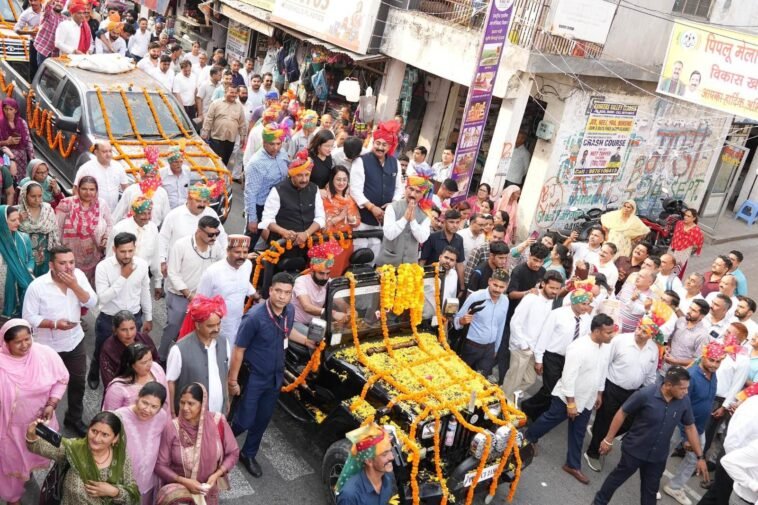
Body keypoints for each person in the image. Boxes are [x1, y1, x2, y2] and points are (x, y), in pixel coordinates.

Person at [593, 366, 708, 505]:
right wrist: (608, 440)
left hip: (657, 457)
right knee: (617, 478)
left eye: (687, 388)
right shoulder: (645, 394)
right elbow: (622, 412)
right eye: (682, 388)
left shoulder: (684, 400)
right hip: (634, 451)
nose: (686, 391)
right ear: (669, 385)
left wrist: (700, 457)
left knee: (650, 493)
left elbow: (690, 427)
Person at [526, 314, 616, 484]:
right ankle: (528, 438)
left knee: (578, 433)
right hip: (568, 399)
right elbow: (568, 377)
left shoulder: (605, 347)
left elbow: (602, 371)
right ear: (597, 331)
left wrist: (599, 393)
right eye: (608, 332)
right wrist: (571, 403)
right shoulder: (578, 347)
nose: (611, 336)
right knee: (549, 420)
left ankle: (572, 465)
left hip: (587, 398)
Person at [22, 246, 96, 436]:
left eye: (71, 262)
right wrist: (54, 324)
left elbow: (92, 302)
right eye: (63, 263)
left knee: (78, 383)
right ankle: (42, 423)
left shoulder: (78, 276)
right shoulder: (37, 287)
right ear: (51, 265)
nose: (69, 267)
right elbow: (28, 317)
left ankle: (74, 418)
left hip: (75, 342)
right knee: (45, 387)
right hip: (47, 348)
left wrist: (75, 286)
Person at [228, 272, 297, 478]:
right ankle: (218, 446)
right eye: (278, 291)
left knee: (262, 419)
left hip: (275, 376)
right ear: (270, 291)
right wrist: (232, 381)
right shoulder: (254, 317)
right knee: (243, 421)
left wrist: (307, 341)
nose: (282, 296)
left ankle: (248, 454)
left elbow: (287, 332)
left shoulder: (290, 311)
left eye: (287, 293)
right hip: (254, 377)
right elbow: (238, 349)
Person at [0, 319, 69, 505]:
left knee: (30, 458)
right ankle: (13, 499)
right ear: (6, 343)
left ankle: (26, 472)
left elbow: (61, 379)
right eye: (18, 342)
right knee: (10, 466)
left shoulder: (45, 355)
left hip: (38, 424)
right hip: (9, 429)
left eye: (27, 339)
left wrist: (52, 403)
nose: (25, 345)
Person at [584, 317, 662, 471]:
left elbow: (651, 376)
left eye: (644, 332)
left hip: (634, 393)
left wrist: (648, 396)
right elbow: (605, 364)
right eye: (639, 328)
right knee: (604, 420)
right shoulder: (620, 340)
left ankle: (601, 435)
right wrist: (599, 391)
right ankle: (593, 453)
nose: (639, 333)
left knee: (628, 422)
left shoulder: (653, 350)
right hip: (612, 387)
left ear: (651, 335)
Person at [26, 411, 140, 503]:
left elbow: (132, 495)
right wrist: (31, 433)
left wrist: (114, 492)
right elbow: (38, 446)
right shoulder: (74, 449)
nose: (96, 438)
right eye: (94, 431)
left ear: (115, 439)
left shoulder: (121, 458)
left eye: (105, 435)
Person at [155, 383, 239, 505]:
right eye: (182, 402)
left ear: (202, 404)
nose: (185, 408)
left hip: (208, 492)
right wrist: (183, 481)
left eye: (191, 403)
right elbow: (160, 465)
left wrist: (217, 474)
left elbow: (233, 453)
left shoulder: (217, 422)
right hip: (180, 494)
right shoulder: (172, 427)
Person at [663, 342, 725, 505]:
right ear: (703, 357)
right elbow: (680, 405)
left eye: (718, 361)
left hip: (699, 428)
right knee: (663, 453)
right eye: (711, 360)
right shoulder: (690, 376)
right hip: (680, 426)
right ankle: (651, 482)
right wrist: (686, 437)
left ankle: (675, 487)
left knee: (693, 459)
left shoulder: (712, 375)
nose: (714, 365)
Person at [90, 231, 153, 389]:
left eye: (130, 251)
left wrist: (148, 317)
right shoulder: (103, 267)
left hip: (134, 317)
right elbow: (102, 298)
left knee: (130, 351)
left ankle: (125, 380)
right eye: (123, 251)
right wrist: (123, 277)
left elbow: (145, 291)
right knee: (101, 349)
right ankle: (94, 371)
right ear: (114, 249)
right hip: (109, 319)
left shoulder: (142, 265)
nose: (127, 255)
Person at [161, 216, 225, 362]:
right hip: (180, 296)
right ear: (199, 231)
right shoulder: (181, 245)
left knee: (199, 331)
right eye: (210, 234)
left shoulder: (215, 247)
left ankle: (187, 360)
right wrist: (189, 295)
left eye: (217, 234)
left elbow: (224, 263)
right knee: (174, 327)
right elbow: (173, 273)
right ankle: (162, 357)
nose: (214, 238)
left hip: (203, 299)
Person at [523, 289, 594, 420]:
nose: (586, 307)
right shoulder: (557, 314)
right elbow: (544, 336)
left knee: (556, 390)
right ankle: (529, 410)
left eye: (588, 304)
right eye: (583, 304)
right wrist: (539, 359)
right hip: (553, 357)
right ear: (574, 302)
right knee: (550, 389)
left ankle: (533, 411)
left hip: (570, 359)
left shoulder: (587, 319)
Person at [502, 271, 564, 399]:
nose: (554, 291)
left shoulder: (552, 301)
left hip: (535, 349)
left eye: (557, 289)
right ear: (543, 284)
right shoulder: (531, 298)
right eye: (552, 287)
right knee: (513, 380)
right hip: (521, 348)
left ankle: (503, 396)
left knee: (529, 380)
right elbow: (515, 323)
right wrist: (523, 345)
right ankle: (502, 403)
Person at [167, 295, 230, 415]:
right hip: (190, 416)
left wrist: (226, 399)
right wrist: (172, 412)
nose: (216, 329)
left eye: (218, 324)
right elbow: (170, 382)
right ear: (197, 325)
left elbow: (225, 373)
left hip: (217, 413)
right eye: (210, 326)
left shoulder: (224, 342)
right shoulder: (179, 349)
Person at [350, 120, 404, 259]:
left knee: (375, 255)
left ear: (390, 146)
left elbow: (399, 188)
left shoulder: (395, 163)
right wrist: (372, 207)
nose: (380, 147)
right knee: (358, 253)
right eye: (377, 143)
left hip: (383, 220)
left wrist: (393, 204)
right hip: (362, 219)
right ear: (373, 143)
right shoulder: (361, 161)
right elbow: (355, 190)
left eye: (384, 145)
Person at [696, 395, 758, 505]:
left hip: (741, 465)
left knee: (715, 496)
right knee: (719, 498)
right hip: (735, 464)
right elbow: (732, 441)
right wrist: (735, 466)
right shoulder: (754, 408)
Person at [115, 382, 169, 505]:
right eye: (145, 403)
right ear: (138, 398)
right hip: (120, 485)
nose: (147, 410)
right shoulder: (119, 416)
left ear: (160, 408)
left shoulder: (162, 417)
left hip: (148, 484)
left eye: (154, 406)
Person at [159, 183, 227, 278]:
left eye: (205, 201)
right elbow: (163, 239)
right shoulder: (174, 215)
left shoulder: (211, 213)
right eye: (198, 201)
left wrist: (226, 259)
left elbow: (222, 237)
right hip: (178, 269)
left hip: (204, 269)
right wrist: (162, 261)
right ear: (189, 199)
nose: (202, 205)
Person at [259, 149, 326, 246]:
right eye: (299, 175)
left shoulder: (314, 189)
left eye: (307, 175)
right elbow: (267, 219)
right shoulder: (278, 190)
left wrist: (306, 233)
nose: (304, 179)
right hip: (281, 244)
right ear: (292, 175)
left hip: (308, 244)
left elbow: (320, 217)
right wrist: (283, 232)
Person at [196, 235, 256, 342]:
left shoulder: (247, 265)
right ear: (228, 251)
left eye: (245, 252)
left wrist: (257, 296)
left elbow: (244, 283)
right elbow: (200, 301)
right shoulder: (212, 272)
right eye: (237, 252)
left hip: (238, 321)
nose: (242, 256)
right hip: (216, 325)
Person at [56, 175, 113, 286]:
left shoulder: (101, 204)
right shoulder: (66, 204)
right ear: (78, 189)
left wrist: (106, 238)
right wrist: (59, 253)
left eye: (92, 189)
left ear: (96, 190)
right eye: (84, 189)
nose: (88, 193)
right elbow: (57, 228)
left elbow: (110, 224)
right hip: (69, 257)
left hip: (95, 255)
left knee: (91, 288)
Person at [453, 268, 510, 377]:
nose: (497, 289)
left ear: (506, 287)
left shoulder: (505, 301)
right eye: (495, 285)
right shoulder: (475, 297)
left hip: (489, 350)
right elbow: (457, 319)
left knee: (480, 380)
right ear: (489, 281)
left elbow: (500, 326)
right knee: (461, 377)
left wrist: (496, 348)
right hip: (471, 347)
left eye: (501, 287)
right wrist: (462, 321)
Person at [375, 166, 432, 266]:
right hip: (388, 264)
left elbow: (422, 239)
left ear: (423, 195)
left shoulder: (425, 214)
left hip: (409, 266)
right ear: (405, 188)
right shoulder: (392, 207)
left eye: (418, 191)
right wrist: (405, 218)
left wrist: (413, 220)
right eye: (411, 189)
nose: (413, 194)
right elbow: (389, 234)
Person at [244, 121, 290, 241]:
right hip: (261, 205)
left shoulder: (282, 153)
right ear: (264, 143)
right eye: (272, 144)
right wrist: (252, 219)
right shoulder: (256, 163)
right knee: (250, 241)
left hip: (279, 204)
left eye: (278, 143)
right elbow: (250, 193)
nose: (276, 148)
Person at [291, 241, 344, 335]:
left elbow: (340, 302)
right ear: (312, 271)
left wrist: (348, 310)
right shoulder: (301, 281)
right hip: (295, 322)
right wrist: (333, 313)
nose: (325, 277)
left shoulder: (329, 281)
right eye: (321, 273)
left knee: (337, 332)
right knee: (317, 337)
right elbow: (307, 307)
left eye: (327, 273)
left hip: (315, 322)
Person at [335, 423, 395, 505]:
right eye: (384, 454)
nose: (392, 457)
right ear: (369, 461)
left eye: (390, 451)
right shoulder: (350, 496)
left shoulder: (388, 478)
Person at [99, 310, 160, 389]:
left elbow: (156, 361)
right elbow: (108, 380)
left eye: (132, 328)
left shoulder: (144, 339)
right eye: (124, 330)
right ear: (115, 330)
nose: (129, 334)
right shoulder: (108, 349)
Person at [104, 342, 168, 412]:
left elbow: (166, 400)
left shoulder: (157, 369)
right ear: (131, 365)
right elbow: (110, 414)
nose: (149, 364)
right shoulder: (117, 388)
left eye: (150, 359)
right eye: (144, 362)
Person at [320, 166, 360, 276]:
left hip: (346, 243)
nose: (341, 183)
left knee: (342, 275)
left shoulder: (350, 198)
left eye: (344, 180)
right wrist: (339, 218)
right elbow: (321, 226)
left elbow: (357, 221)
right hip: (328, 243)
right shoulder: (324, 197)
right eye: (338, 179)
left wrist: (351, 219)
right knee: (326, 274)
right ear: (332, 179)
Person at [112, 149, 170, 225]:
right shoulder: (131, 190)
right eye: (146, 177)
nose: (149, 180)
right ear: (141, 176)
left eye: (152, 177)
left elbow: (166, 217)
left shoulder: (162, 192)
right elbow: (118, 213)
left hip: (154, 228)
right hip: (132, 228)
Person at [18, 180, 60, 276]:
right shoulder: (17, 212)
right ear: (24, 195)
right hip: (24, 255)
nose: (37, 200)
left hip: (45, 255)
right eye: (33, 196)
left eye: (40, 196)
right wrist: (18, 220)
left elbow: (54, 232)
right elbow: (8, 233)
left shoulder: (47, 210)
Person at [74, 140, 129, 212]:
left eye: (110, 151)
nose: (108, 154)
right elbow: (75, 189)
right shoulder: (86, 168)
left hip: (113, 212)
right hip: (92, 212)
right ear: (96, 152)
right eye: (104, 152)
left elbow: (126, 189)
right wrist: (81, 209)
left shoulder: (118, 167)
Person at [0, 205, 34, 317]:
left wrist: (28, 269)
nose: (18, 223)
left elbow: (30, 258)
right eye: (13, 220)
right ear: (2, 222)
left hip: (20, 283)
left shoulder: (24, 238)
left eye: (18, 219)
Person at [201, 84, 247, 165]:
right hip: (216, 139)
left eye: (235, 93)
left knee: (225, 162)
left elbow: (242, 122)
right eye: (231, 92)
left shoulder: (239, 106)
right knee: (215, 162)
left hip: (230, 139)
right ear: (225, 92)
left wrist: (243, 136)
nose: (234, 95)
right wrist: (205, 132)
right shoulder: (216, 103)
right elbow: (209, 119)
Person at [420, 208, 465, 286]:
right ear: (445, 222)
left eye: (457, 222)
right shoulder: (433, 237)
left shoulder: (459, 239)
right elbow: (422, 261)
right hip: (431, 279)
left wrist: (462, 286)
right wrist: (420, 279)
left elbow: (459, 264)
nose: (455, 225)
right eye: (451, 222)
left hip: (449, 279)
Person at [664, 299, 711, 371]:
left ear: (702, 316)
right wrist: (668, 346)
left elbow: (698, 360)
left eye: (694, 310)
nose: (689, 311)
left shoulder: (703, 335)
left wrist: (676, 361)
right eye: (690, 308)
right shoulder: (680, 321)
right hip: (664, 367)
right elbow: (671, 337)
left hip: (680, 373)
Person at [0, 98, 34, 183]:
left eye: (11, 109)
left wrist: (32, 158)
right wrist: (7, 142)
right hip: (7, 157)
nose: (8, 112)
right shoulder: (0, 124)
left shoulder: (22, 122)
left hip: (21, 157)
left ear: (15, 110)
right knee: (8, 179)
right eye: (6, 109)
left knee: (21, 179)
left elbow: (28, 140)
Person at [669, 207, 704, 278]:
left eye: (688, 216)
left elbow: (697, 245)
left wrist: (687, 247)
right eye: (685, 215)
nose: (685, 217)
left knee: (675, 272)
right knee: (667, 265)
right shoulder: (679, 223)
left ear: (694, 218)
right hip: (672, 248)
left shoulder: (696, 231)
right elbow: (675, 236)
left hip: (683, 253)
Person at [33, 0, 65, 65]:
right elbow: (46, 6)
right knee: (41, 69)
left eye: (61, 2)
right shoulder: (48, 12)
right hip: (43, 48)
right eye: (57, 1)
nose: (59, 3)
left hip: (55, 53)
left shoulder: (65, 19)